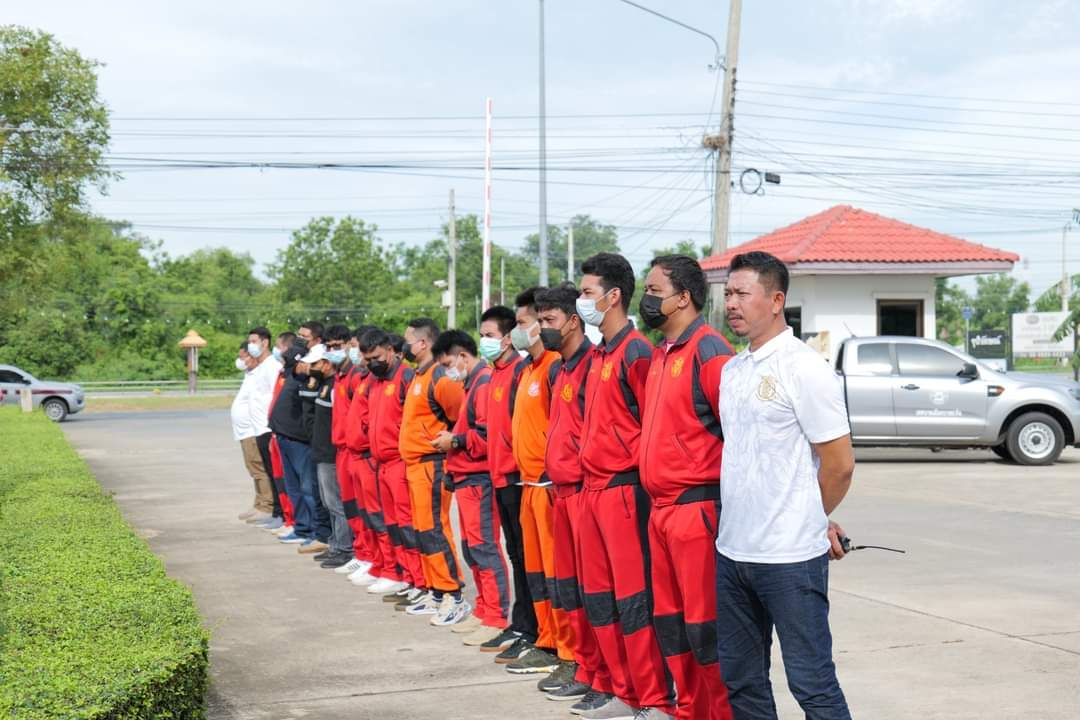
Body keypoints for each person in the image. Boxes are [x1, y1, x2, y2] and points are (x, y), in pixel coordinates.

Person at [715, 251, 854, 720]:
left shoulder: (805, 368)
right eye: (728, 293)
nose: (731, 303)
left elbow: (839, 465)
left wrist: (809, 518)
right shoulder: (733, 371)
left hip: (790, 559)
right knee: (742, 680)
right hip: (733, 552)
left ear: (776, 301)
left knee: (812, 684)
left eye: (742, 293)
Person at [577, 252, 676, 719]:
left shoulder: (636, 353)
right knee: (600, 597)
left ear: (613, 296)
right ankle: (625, 691)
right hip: (592, 491)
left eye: (587, 293)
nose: (581, 301)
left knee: (634, 599)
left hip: (624, 490)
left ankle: (654, 697)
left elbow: (652, 424)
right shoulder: (600, 353)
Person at [639, 256, 734, 720]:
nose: (646, 298)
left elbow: (739, 435)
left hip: (696, 510)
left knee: (705, 628)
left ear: (684, 298)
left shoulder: (709, 351)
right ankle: (690, 711)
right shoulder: (661, 353)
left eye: (654, 290)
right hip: (660, 511)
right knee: (672, 625)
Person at [535, 282, 609, 710]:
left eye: (550, 320)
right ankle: (585, 669)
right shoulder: (557, 370)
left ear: (573, 322)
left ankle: (607, 679)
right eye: (540, 320)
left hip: (586, 493)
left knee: (595, 591)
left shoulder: (592, 366)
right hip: (559, 494)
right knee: (569, 590)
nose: (542, 328)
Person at [506, 287, 568, 677]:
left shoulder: (554, 367)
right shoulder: (527, 368)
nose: (518, 330)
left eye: (525, 322)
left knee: (556, 573)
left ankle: (567, 649)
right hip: (527, 485)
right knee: (536, 572)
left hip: (548, 487)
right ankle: (546, 640)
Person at [431, 330, 510, 637]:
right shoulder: (471, 383)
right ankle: (484, 608)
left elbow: (487, 437)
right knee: (471, 549)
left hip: (478, 477)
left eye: (448, 364)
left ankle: (496, 616)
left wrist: (455, 441)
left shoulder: (483, 383)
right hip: (465, 477)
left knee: (483, 548)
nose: (447, 372)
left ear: (463, 356)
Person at [398, 318, 469, 624]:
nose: (404, 345)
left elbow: (461, 414)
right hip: (415, 465)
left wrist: (450, 441)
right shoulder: (419, 375)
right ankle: (435, 590)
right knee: (422, 530)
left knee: (435, 529)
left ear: (423, 343)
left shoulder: (439, 377)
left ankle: (453, 594)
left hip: (432, 465)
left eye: (408, 340)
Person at [477, 305, 539, 659]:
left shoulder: (518, 371)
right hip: (499, 476)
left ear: (506, 339)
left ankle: (532, 628)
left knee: (527, 557)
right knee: (516, 554)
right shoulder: (496, 374)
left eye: (489, 335)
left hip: (518, 477)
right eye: (481, 335)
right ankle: (521, 622)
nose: (484, 341)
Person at [364, 329, 424, 606]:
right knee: (393, 526)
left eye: (376, 357)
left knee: (407, 525)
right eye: (367, 360)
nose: (372, 363)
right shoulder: (375, 381)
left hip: (400, 462)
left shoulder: (406, 377)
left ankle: (420, 580)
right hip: (381, 464)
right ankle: (405, 576)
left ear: (390, 350)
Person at [270, 323, 331, 550]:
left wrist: (301, 360)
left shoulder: (317, 359)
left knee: (308, 488)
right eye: (298, 335)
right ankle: (302, 527)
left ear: (317, 340)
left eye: (304, 336)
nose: (299, 339)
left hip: (300, 436)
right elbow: (289, 362)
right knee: (294, 487)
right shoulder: (300, 356)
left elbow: (297, 364)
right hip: (284, 433)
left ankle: (315, 531)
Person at [308, 325, 356, 568]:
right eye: (329, 346)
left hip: (333, 451)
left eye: (338, 345)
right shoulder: (335, 378)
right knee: (329, 502)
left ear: (348, 344)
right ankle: (336, 544)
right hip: (323, 450)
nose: (333, 350)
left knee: (337, 503)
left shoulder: (349, 378)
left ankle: (344, 548)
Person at [329, 326, 374, 575]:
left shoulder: (357, 377)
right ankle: (361, 552)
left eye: (352, 346)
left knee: (364, 507)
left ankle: (370, 556)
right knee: (350, 505)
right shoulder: (341, 375)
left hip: (358, 450)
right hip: (344, 449)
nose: (334, 350)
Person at [341, 328, 382, 585]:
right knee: (361, 511)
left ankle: (382, 563)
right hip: (354, 452)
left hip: (370, 455)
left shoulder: (376, 380)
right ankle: (368, 556)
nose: (356, 352)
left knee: (377, 515)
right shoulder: (362, 378)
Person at [292, 341, 333, 555]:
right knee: (321, 497)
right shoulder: (318, 383)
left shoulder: (332, 384)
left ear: (326, 363)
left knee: (332, 502)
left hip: (329, 451)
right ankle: (325, 536)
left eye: (314, 364)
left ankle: (334, 541)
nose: (311, 368)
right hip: (317, 446)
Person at [245, 327, 286, 532]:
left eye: (254, 341)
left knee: (276, 473)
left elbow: (275, 395)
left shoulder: (272, 366)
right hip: (258, 428)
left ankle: (281, 514)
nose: (250, 345)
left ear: (265, 342)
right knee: (270, 473)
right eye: (249, 342)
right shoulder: (259, 366)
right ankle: (277, 512)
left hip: (267, 427)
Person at [232, 342, 275, 524]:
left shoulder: (260, 373)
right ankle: (258, 503)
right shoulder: (249, 374)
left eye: (243, 357)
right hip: (243, 431)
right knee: (252, 469)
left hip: (252, 429)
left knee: (259, 468)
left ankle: (266, 505)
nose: (241, 361)